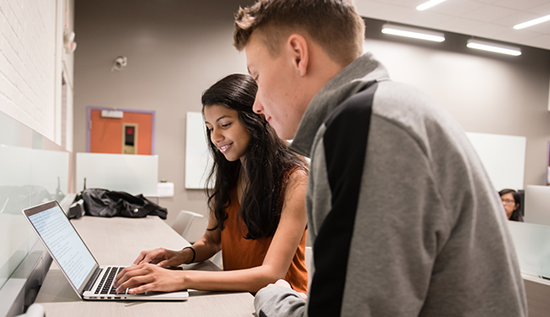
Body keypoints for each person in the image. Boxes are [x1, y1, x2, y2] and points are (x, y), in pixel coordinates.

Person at [233, 0, 527, 316]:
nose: (256, 105)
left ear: (297, 55)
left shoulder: (365, 124)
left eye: (258, 77)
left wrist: (273, 299)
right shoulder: (391, 110)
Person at [114, 73, 309, 294]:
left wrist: (182, 278)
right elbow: (212, 240)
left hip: (281, 304)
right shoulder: (230, 172)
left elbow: (271, 274)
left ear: (256, 118)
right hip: (238, 298)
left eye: (224, 124)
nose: (215, 137)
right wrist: (181, 255)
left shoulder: (296, 179)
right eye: (209, 128)